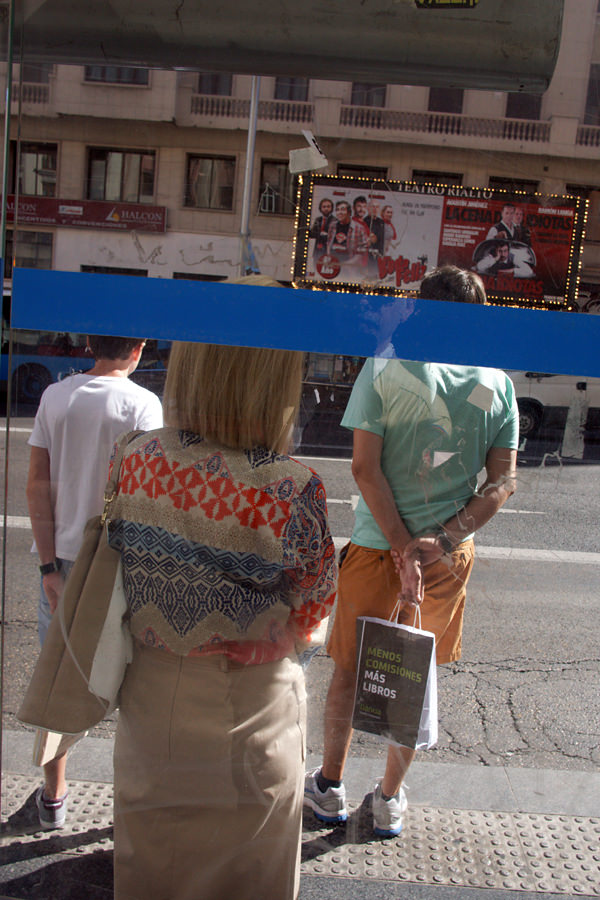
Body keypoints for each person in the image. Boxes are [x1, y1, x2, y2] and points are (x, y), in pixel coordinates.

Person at [107, 338, 337, 900]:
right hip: (252, 704)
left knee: (153, 868)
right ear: (275, 382)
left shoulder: (132, 454)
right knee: (249, 877)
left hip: (151, 699)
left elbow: (118, 555)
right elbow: (313, 608)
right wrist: (283, 637)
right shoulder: (293, 485)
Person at [304, 266, 519, 838]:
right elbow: (501, 484)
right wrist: (439, 540)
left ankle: (328, 786)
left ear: (421, 310)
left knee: (350, 672)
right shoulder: (496, 382)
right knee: (411, 673)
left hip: (378, 549)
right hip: (445, 561)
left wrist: (401, 548)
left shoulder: (384, 367)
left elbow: (363, 468)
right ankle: (390, 799)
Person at [26, 335, 163, 830]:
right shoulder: (144, 405)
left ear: (89, 345)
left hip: (63, 560)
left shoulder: (55, 397)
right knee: (135, 681)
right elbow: (151, 494)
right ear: (139, 349)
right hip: (121, 560)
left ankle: (54, 797)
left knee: (59, 678)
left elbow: (36, 486)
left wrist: (46, 568)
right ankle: (133, 802)